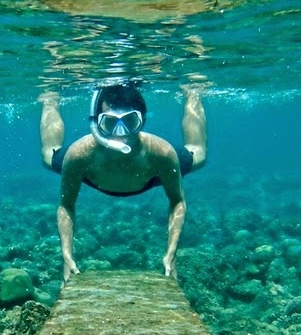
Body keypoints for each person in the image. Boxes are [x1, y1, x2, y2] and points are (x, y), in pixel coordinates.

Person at [39, 82, 207, 282]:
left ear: (142, 121)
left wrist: (172, 253)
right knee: (49, 156)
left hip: (151, 175)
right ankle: (50, 101)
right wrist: (66, 256)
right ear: (97, 124)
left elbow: (177, 201)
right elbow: (66, 205)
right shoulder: (78, 155)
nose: (121, 133)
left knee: (198, 154)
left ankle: (193, 93)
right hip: (91, 173)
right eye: (110, 123)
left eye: (130, 121)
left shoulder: (162, 153)